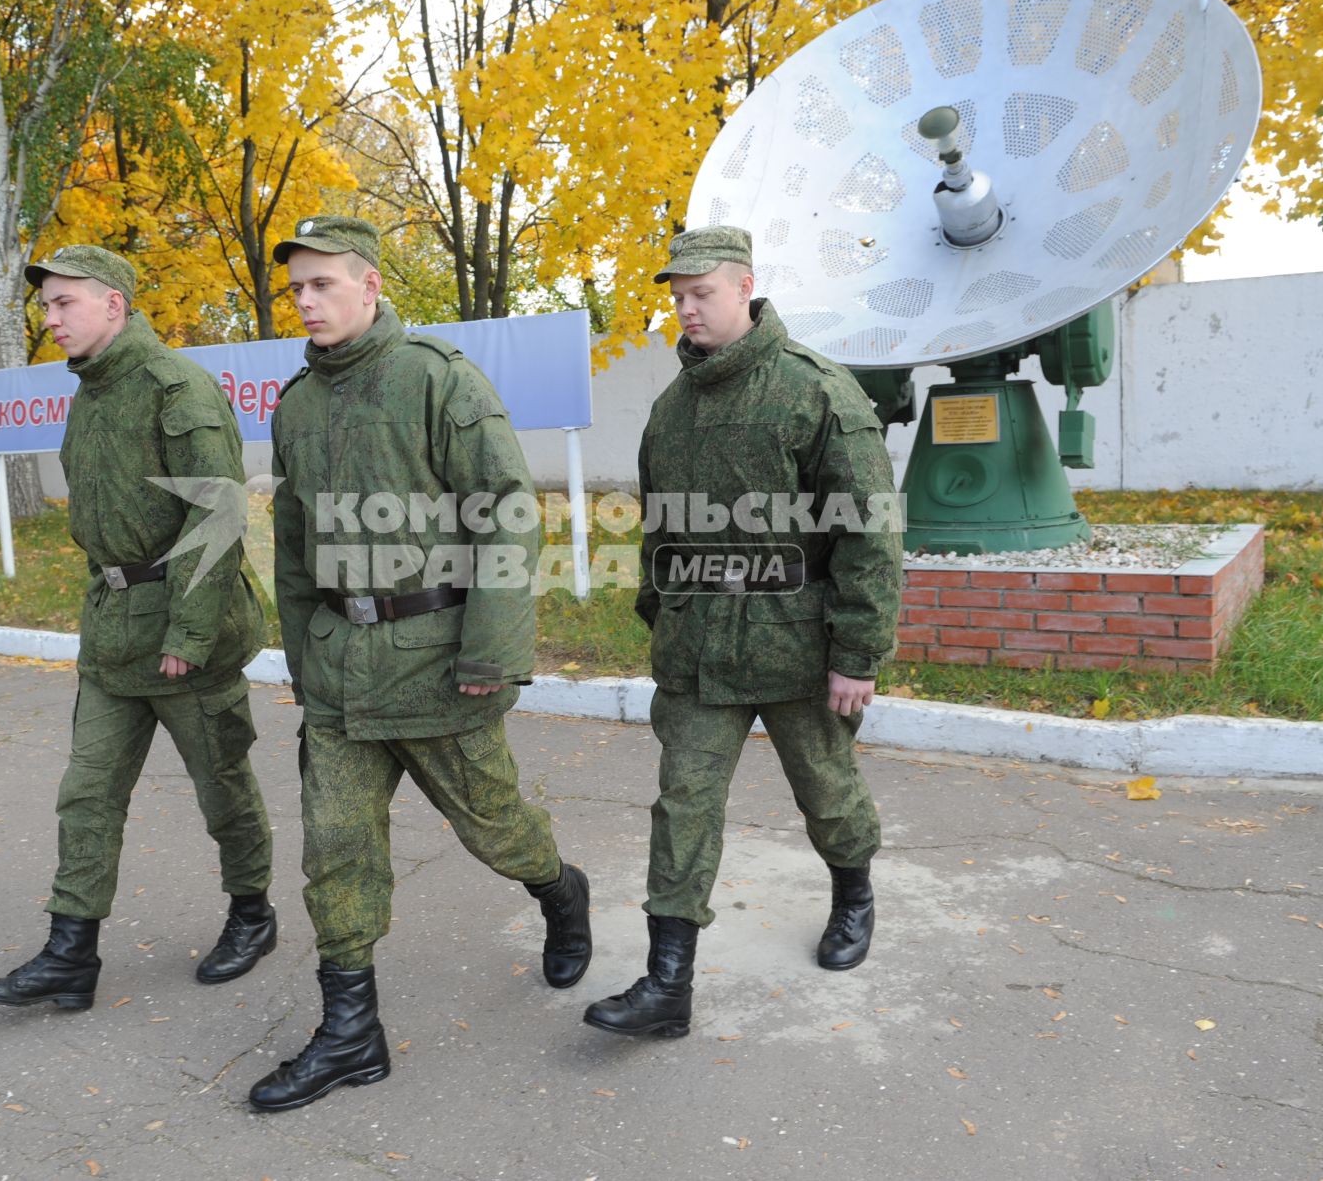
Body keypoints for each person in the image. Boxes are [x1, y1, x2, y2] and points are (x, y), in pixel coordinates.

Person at [251, 215, 591, 1111]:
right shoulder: (296, 404)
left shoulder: (438, 382)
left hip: (437, 664)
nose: (307, 302)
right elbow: (293, 545)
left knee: (495, 828)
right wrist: (301, 653)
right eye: (297, 289)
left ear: (368, 284)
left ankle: (561, 892)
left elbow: (508, 513)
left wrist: (493, 652)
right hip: (338, 672)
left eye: (323, 285)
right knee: (335, 848)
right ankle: (351, 1033)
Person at [583, 225, 902, 1039]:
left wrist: (857, 653)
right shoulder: (672, 408)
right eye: (678, 297)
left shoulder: (817, 390)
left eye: (702, 293)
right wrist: (663, 613)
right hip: (698, 646)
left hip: (797, 641)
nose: (687, 309)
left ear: (744, 287)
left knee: (826, 791)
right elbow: (660, 529)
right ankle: (667, 983)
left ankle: (853, 894)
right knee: (682, 804)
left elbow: (869, 532)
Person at [0, 245, 277, 1011]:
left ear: (113, 303)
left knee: (223, 788)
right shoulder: (91, 393)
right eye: (45, 307)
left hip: (184, 637)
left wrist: (189, 637)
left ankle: (253, 912)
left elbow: (218, 515)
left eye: (63, 303)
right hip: (112, 635)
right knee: (88, 792)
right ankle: (71, 950)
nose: (50, 319)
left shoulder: (176, 388)